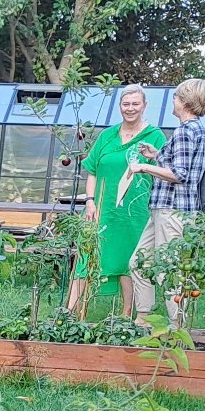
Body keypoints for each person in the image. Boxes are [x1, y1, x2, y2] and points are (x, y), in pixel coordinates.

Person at [125, 78, 205, 327]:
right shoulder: (191, 130)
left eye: (176, 97)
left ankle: (178, 328)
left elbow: (181, 175)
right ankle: (144, 318)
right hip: (162, 208)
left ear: (185, 102)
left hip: (173, 210)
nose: (172, 102)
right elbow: (178, 166)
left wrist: (143, 167)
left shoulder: (187, 131)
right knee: (138, 262)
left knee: (168, 269)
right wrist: (156, 155)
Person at [71, 85, 166, 318]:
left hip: (134, 212)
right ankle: (70, 312)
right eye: (126, 104)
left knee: (129, 259)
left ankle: (126, 315)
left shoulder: (155, 136)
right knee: (87, 255)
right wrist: (90, 201)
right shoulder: (107, 136)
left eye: (135, 104)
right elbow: (92, 169)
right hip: (101, 208)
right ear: (120, 106)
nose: (130, 108)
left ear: (144, 106)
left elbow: (165, 171)